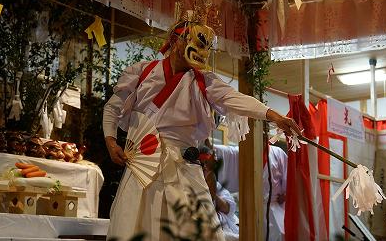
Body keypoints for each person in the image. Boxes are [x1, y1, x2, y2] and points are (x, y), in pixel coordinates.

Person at [102, 19, 301, 241]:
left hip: (183, 163)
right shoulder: (142, 71)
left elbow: (234, 99)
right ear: (175, 41)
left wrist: (274, 116)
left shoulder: (204, 81)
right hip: (143, 162)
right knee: (136, 222)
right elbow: (113, 106)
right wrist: (111, 141)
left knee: (195, 229)